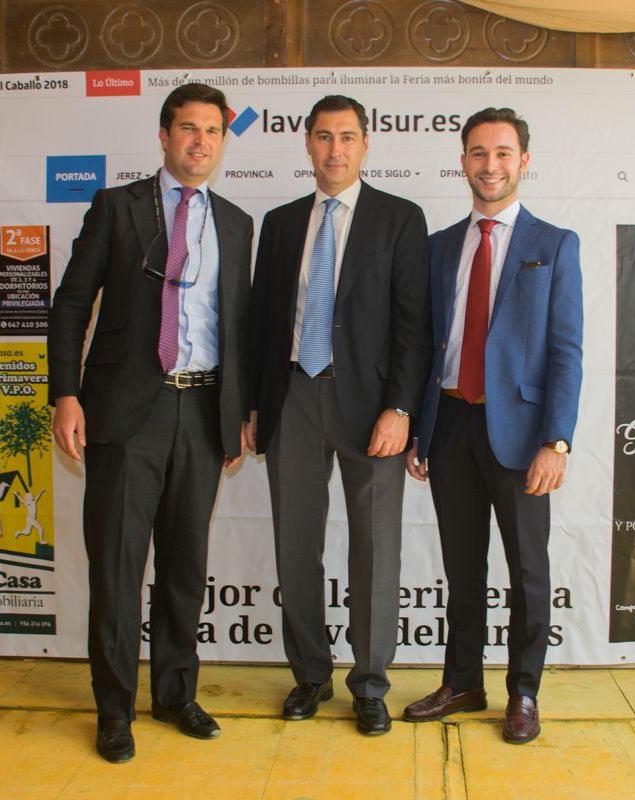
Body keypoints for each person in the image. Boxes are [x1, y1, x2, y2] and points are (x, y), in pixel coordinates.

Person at [48, 83, 252, 764]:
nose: (200, 141)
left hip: (203, 411)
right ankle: (114, 710)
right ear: (165, 137)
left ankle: (174, 694)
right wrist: (66, 394)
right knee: (116, 568)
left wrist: (237, 415)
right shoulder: (117, 207)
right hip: (124, 415)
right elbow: (72, 305)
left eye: (213, 131)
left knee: (185, 569)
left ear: (223, 141)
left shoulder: (236, 223)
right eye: (188, 128)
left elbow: (240, 327)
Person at [247, 95, 431, 736]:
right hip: (293, 398)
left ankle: (370, 684)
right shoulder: (279, 223)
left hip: (373, 409)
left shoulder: (399, 218)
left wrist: (400, 408)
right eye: (324, 137)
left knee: (375, 549)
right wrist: (253, 404)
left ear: (365, 144)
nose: (335, 149)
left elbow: (414, 326)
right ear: (308, 143)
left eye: (347, 137)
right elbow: (260, 322)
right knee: (296, 545)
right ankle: (310, 675)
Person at [402, 108, 583, 745]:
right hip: (450, 422)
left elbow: (566, 351)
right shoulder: (438, 246)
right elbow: (424, 344)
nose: (490, 165)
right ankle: (462, 682)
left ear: (523, 161)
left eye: (503, 153)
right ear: (463, 162)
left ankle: (524, 692)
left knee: (528, 570)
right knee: (463, 567)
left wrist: (556, 440)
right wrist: (421, 429)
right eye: (478, 153)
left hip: (523, 435)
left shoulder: (554, 244)